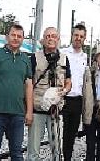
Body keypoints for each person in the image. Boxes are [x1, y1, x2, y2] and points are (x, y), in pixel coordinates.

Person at [0, 24, 33, 161]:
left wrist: (29, 111)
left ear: (23, 39)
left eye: (19, 36)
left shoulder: (26, 60)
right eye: (13, 35)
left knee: (17, 154)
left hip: (18, 114)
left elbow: (28, 86)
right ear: (7, 37)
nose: (16, 38)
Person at [28, 27, 72, 161]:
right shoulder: (34, 58)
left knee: (57, 149)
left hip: (56, 110)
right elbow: (29, 84)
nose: (51, 39)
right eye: (47, 36)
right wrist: (28, 110)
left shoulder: (64, 59)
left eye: (54, 36)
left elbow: (69, 81)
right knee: (33, 150)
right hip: (37, 110)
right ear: (43, 40)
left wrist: (64, 91)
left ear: (58, 39)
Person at [61, 24, 89, 161]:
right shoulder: (63, 53)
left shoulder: (85, 57)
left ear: (85, 39)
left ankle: (67, 157)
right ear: (72, 36)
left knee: (71, 134)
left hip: (78, 100)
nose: (78, 38)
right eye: (76, 35)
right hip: (64, 99)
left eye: (81, 36)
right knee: (63, 133)